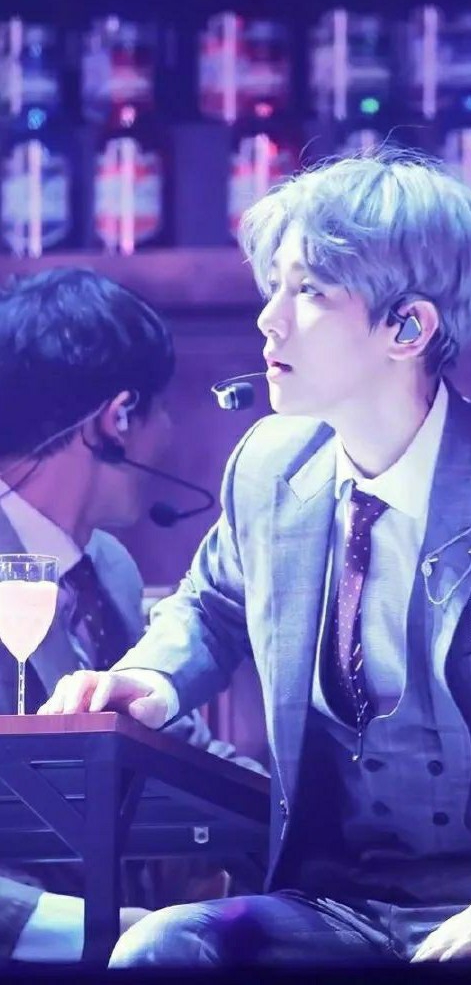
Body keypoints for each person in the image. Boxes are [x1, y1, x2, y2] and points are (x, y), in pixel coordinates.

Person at [41, 150, 471, 968]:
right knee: (162, 949)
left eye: (311, 292)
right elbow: (213, 604)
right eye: (274, 286)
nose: (269, 319)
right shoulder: (269, 466)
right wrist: (151, 677)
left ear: (409, 328)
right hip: (342, 905)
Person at [0, 268, 264, 963]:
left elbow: (175, 746)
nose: (169, 433)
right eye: (161, 409)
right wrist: (109, 930)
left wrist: (313, 819)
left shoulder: (108, 567)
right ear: (117, 419)